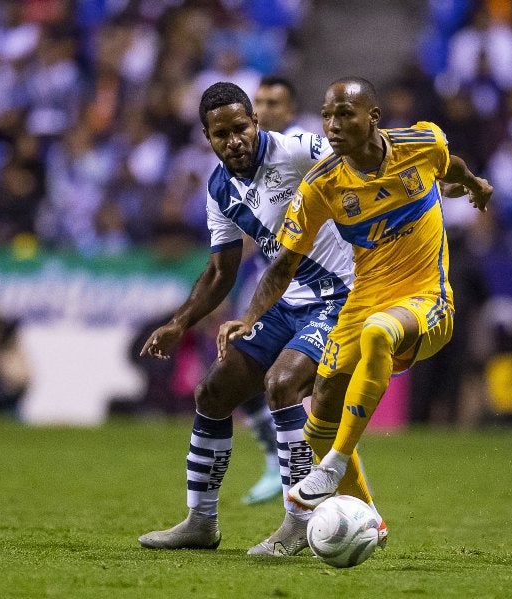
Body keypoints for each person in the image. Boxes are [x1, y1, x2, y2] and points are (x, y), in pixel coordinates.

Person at [218, 77, 492, 513]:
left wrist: (473, 182)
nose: (332, 125)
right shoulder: (322, 185)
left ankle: (336, 463)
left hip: (427, 298)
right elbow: (284, 264)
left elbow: (447, 163)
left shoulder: (420, 142)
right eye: (327, 116)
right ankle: (367, 517)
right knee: (320, 415)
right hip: (362, 301)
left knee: (379, 334)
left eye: (344, 114)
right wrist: (250, 318)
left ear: (373, 117)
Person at [137, 81, 374, 556]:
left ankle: (299, 521)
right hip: (287, 301)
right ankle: (200, 522)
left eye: (241, 127)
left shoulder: (299, 149)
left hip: (344, 297)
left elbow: (365, 151)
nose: (234, 140)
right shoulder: (219, 189)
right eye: (221, 133)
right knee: (213, 390)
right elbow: (222, 270)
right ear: (208, 138)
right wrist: (180, 322)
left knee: (282, 384)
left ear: (256, 123)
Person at [236, 76, 312, 506]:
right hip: (274, 281)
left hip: (319, 286)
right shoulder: (250, 160)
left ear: (291, 108)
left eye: (273, 102)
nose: (263, 109)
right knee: (237, 362)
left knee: (302, 386)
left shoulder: (303, 148)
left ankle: (321, 477)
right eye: (258, 102)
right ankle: (273, 461)